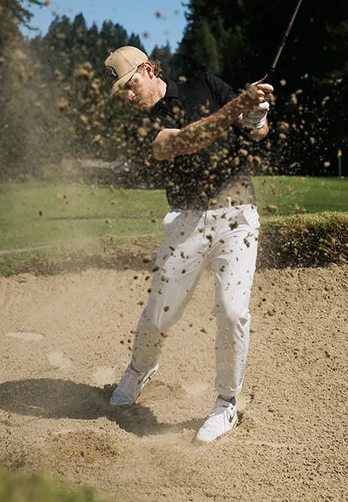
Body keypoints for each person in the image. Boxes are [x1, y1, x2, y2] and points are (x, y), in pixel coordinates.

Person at [99, 45, 272, 444]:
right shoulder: (138, 126)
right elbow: (184, 142)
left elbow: (256, 130)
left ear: (147, 69)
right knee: (158, 317)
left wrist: (257, 111)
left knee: (232, 312)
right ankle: (140, 369)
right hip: (185, 222)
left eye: (129, 86)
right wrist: (237, 109)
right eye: (120, 93)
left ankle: (226, 403)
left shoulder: (205, 85)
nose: (128, 97)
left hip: (237, 215)